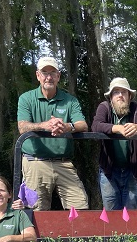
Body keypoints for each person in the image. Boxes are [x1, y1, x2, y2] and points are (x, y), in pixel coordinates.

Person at [16, 56, 89, 211]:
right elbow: (22, 127)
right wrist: (45, 126)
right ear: (38, 75)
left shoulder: (70, 100)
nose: (48, 77)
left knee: (80, 206)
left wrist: (67, 126)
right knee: (34, 212)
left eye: (52, 73)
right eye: (44, 73)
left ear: (58, 76)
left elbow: (82, 125)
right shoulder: (26, 98)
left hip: (63, 162)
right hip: (35, 162)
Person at [91, 78, 137, 210]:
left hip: (131, 170)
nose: (120, 95)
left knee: (132, 213)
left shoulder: (135, 109)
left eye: (123, 92)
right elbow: (96, 126)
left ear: (129, 96)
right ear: (111, 97)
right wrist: (117, 128)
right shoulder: (104, 107)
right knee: (111, 213)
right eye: (116, 92)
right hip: (109, 171)